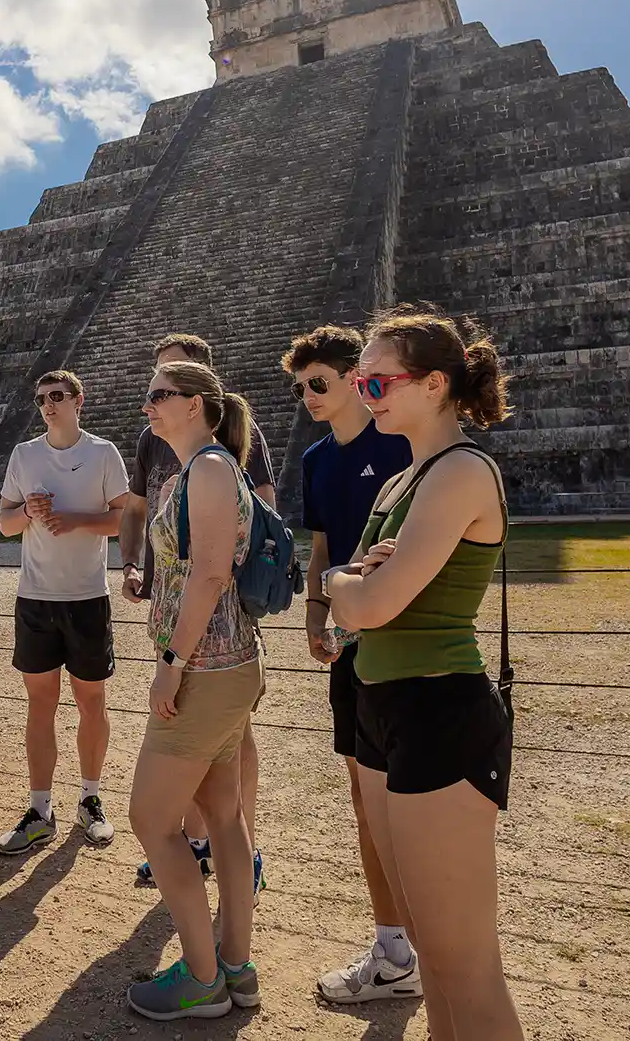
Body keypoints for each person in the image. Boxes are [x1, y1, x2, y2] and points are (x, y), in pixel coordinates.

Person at [323, 304, 521, 1041]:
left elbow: (366, 601)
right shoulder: (398, 482)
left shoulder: (462, 472)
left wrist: (346, 587)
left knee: (467, 965)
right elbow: (358, 599)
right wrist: (352, 589)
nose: (362, 395)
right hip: (381, 707)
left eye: (376, 383)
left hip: (440, 712)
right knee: (434, 959)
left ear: (435, 384)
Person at [282, 325, 424, 1005]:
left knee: (411, 803)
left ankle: (432, 944)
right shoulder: (314, 461)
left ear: (355, 381)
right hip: (350, 643)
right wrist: (314, 616)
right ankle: (395, 947)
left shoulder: (398, 444)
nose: (308, 395)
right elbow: (320, 549)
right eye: (301, 385)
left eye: (320, 383)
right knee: (366, 804)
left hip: (403, 642)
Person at [124, 360, 265, 1021]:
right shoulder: (194, 471)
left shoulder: (208, 469)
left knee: (151, 820)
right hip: (227, 665)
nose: (148, 405)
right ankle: (234, 963)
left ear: (197, 403)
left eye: (161, 395)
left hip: (205, 668)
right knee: (225, 816)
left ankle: (202, 979)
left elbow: (207, 575)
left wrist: (171, 662)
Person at [0, 370, 130, 857]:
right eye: (40, 399)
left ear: (78, 400)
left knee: (93, 703)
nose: (48, 405)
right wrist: (28, 513)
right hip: (35, 597)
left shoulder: (102, 453)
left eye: (56, 397)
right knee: (40, 706)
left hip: (87, 598)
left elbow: (123, 517)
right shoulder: (25, 455)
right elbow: (5, 523)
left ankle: (91, 798)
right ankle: (40, 808)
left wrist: (75, 520)